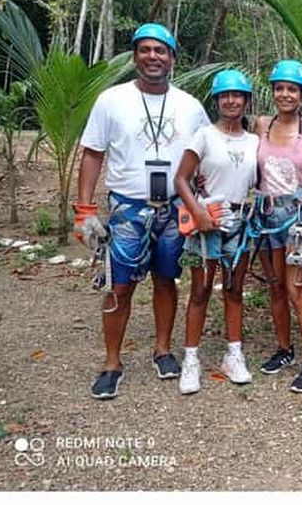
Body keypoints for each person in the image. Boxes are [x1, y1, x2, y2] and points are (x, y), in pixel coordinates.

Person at [73, 22, 210, 400]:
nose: (153, 56)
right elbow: (93, 154)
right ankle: (112, 363)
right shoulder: (111, 100)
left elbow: (202, 157)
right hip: (128, 209)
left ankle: (163, 350)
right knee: (121, 284)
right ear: (135, 55)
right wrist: (84, 210)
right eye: (146, 49)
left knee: (167, 280)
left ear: (172, 58)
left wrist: (203, 201)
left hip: (174, 209)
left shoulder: (190, 106)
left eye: (161, 50)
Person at [173, 69, 259, 395]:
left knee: (235, 288)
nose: (231, 100)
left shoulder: (254, 141)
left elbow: (259, 179)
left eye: (237, 95)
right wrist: (196, 210)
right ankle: (191, 359)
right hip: (206, 218)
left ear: (246, 100)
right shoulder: (204, 136)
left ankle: (233, 354)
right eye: (225, 95)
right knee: (200, 290)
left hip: (239, 220)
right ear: (217, 100)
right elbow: (181, 178)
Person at [252, 60, 302, 393]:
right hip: (268, 216)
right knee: (275, 287)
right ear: (273, 91)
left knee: (297, 291)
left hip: (299, 220)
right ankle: (285, 349)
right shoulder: (261, 125)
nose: (285, 94)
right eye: (280, 88)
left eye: (292, 89)